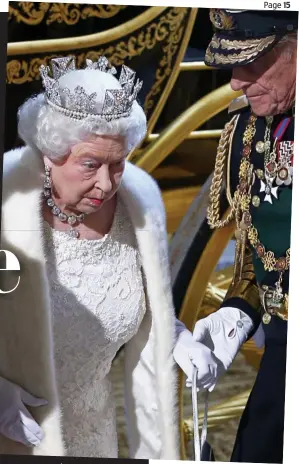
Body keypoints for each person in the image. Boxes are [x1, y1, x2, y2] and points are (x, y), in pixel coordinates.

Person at [0, 55, 204, 458]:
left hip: (96, 434)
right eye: (90, 164)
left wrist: (177, 337)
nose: (106, 183)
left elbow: (148, 312)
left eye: (119, 164)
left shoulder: (136, 210)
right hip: (15, 432)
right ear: (48, 153)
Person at [182, 9, 297, 464]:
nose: (234, 82)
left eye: (251, 62)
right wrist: (236, 312)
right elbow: (257, 254)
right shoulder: (249, 132)